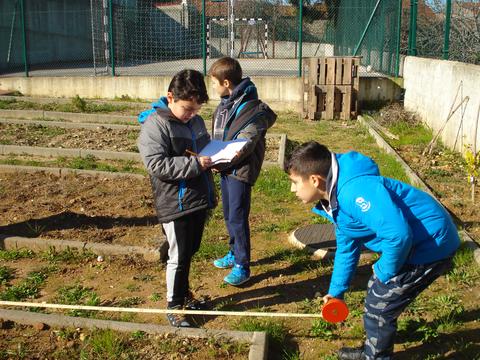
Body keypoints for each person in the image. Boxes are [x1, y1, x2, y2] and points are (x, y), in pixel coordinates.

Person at [285, 141, 460, 360]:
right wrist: (336, 291)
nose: (292, 189)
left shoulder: (352, 192)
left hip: (430, 244)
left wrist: (383, 270)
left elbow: (399, 235)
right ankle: (375, 348)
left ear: (314, 180)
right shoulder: (335, 197)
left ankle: (375, 356)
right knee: (378, 298)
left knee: (380, 304)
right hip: (413, 242)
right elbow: (347, 247)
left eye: (294, 182)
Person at [137, 69, 216, 327]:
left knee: (190, 251)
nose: (192, 115)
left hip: (197, 197)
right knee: (178, 255)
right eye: (187, 109)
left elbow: (204, 148)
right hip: (175, 202)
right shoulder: (155, 125)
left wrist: (219, 156)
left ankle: (184, 294)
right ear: (170, 97)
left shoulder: (195, 121)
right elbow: (156, 164)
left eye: (196, 110)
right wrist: (196, 165)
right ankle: (174, 306)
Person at [209, 57, 277, 286]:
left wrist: (222, 160)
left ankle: (243, 265)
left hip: (239, 170)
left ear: (226, 82)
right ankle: (234, 252)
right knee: (229, 214)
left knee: (238, 217)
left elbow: (245, 144)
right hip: (224, 168)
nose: (213, 88)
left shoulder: (252, 109)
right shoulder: (224, 105)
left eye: (214, 83)